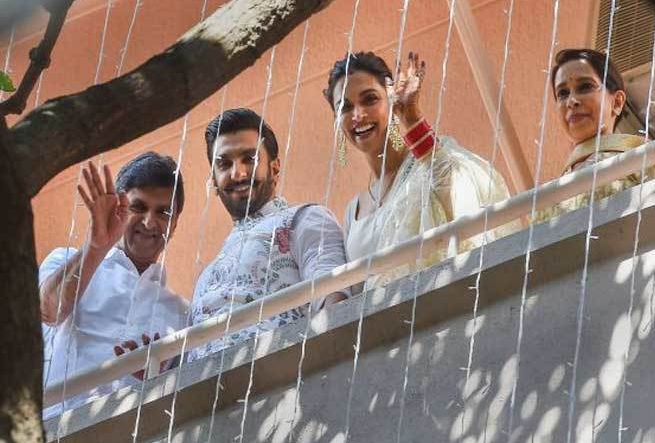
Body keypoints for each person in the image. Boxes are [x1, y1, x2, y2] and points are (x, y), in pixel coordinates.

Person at [324, 51, 514, 291]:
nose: (358, 115)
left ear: (391, 100)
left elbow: (460, 201)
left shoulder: (433, 159)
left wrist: (412, 119)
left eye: (370, 99)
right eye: (345, 107)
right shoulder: (353, 211)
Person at [189, 109, 348, 361]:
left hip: (279, 374)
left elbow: (334, 302)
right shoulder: (207, 275)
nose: (238, 173)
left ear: (274, 168)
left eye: (249, 159)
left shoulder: (304, 219)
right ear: (214, 182)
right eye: (224, 164)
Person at [40, 153, 189, 418]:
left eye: (163, 212)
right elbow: (49, 311)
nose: (149, 222)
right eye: (138, 207)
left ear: (175, 224)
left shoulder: (181, 313)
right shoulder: (64, 259)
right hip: (54, 427)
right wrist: (96, 246)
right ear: (117, 209)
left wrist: (153, 379)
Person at [538, 48, 652, 220]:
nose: (571, 101)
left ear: (617, 102)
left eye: (585, 87)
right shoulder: (548, 198)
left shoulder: (644, 159)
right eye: (563, 93)